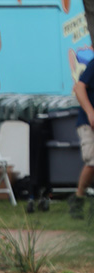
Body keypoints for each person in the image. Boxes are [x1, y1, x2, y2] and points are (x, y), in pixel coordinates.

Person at [69, 60, 94, 219]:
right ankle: (78, 199)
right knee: (92, 162)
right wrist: (90, 112)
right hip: (88, 124)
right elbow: (79, 87)